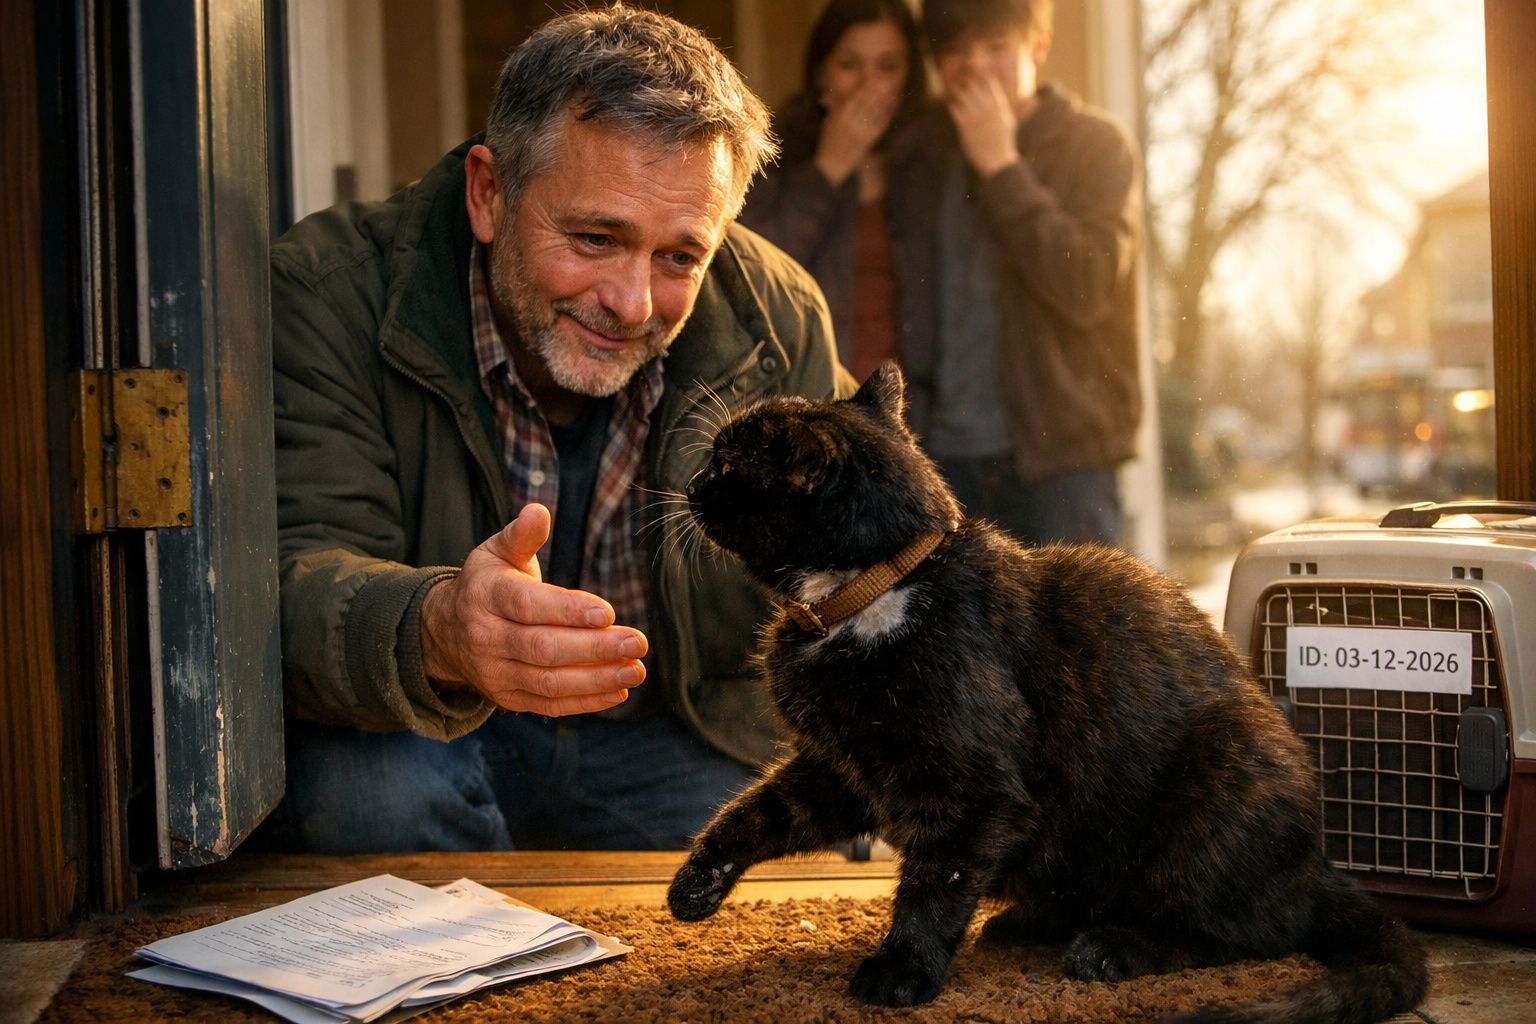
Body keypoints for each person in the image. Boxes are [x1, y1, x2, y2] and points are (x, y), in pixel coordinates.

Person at [261, 6, 850, 854]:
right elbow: (288, 576)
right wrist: (438, 627)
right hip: (425, 725)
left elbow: (850, 572)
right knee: (361, 801)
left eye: (680, 256)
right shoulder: (326, 294)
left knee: (806, 845)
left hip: (671, 734)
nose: (632, 303)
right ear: (489, 193)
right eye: (594, 238)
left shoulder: (780, 317)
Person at [886, 0, 1142, 546]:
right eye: (954, 51)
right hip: (938, 461)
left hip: (1063, 463)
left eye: (995, 47)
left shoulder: (1095, 145)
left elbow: (1088, 287)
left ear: (1038, 46)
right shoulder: (919, 153)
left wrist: (1001, 165)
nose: (974, 67)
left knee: (1077, 631)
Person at [738, 0, 925, 381]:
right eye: (849, 65)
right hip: (815, 389)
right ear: (821, 70)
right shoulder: (773, 150)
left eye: (887, 67)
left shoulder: (927, 157)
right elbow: (751, 278)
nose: (868, 86)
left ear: (909, 76)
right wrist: (830, 167)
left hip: (910, 403)